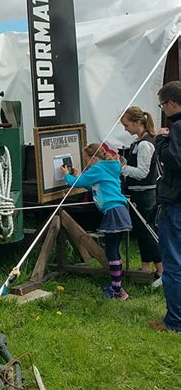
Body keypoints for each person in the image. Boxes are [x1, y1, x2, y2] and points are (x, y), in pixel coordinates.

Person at [61, 143, 132, 300]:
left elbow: (77, 183)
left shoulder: (97, 168)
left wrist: (67, 175)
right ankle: (116, 286)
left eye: (87, 159)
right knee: (112, 250)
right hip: (119, 211)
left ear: (94, 157)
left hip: (113, 213)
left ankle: (118, 290)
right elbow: (93, 186)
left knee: (112, 252)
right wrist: (78, 175)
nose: (86, 162)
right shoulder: (108, 167)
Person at [152, 80, 181, 333]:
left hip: (176, 203)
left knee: (173, 263)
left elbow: (174, 160)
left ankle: (174, 321)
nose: (163, 109)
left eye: (163, 105)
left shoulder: (177, 128)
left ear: (172, 103)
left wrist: (161, 141)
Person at [120, 107, 162, 279]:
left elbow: (142, 172)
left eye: (127, 125)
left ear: (137, 123)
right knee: (140, 230)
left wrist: (121, 168)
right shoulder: (138, 142)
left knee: (147, 230)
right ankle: (145, 266)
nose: (125, 129)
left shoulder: (145, 144)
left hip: (145, 193)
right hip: (138, 193)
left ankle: (161, 270)